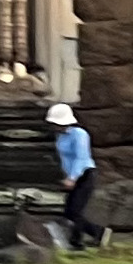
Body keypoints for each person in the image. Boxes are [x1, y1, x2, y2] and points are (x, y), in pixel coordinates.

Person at [46, 101, 97, 249]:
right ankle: (98, 233)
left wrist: (72, 178)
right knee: (69, 212)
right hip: (71, 176)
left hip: (84, 175)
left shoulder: (80, 135)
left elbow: (81, 158)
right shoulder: (60, 137)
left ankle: (77, 242)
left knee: (75, 211)